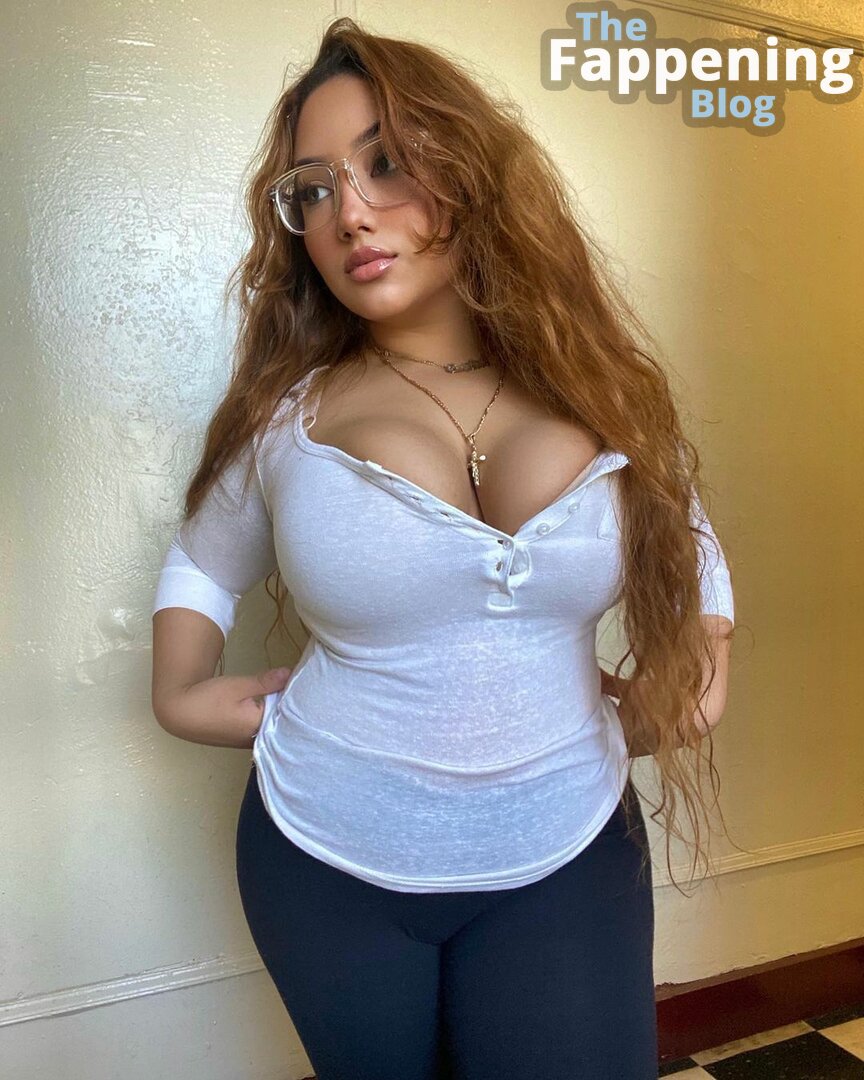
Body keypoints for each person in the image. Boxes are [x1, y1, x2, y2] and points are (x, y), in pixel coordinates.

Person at [151, 17, 735, 1080]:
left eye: (386, 162)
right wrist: (182, 694)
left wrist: (694, 672)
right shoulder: (287, 415)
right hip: (326, 860)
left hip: (568, 848)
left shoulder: (600, 391)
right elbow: (203, 558)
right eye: (312, 190)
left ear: (470, 171)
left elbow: (686, 545)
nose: (348, 213)